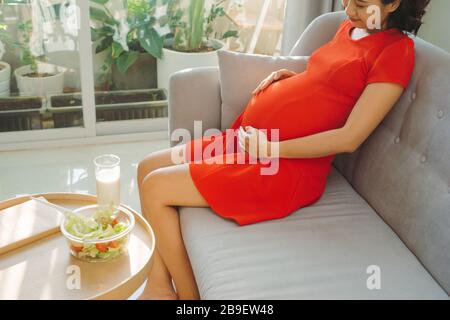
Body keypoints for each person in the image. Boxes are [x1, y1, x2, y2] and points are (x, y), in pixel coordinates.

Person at [136, 0, 431, 300]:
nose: (349, 9)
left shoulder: (396, 52)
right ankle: (158, 285)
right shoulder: (351, 27)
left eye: (360, 3)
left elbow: (349, 137)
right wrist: (292, 77)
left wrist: (272, 149)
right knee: (146, 166)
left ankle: (190, 299)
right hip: (249, 141)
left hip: (284, 167)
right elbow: (331, 84)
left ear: (394, 3)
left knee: (156, 187)